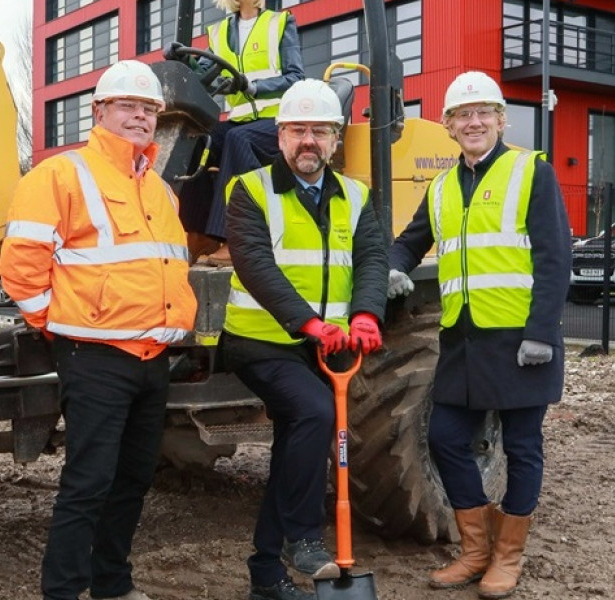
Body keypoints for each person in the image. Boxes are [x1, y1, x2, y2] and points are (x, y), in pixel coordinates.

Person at [0, 59, 197, 600]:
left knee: (132, 481)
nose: (139, 116)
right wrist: (57, 325)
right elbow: (19, 268)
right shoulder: (60, 175)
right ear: (100, 111)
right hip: (95, 359)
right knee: (87, 484)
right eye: (128, 106)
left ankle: (112, 585)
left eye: (149, 108)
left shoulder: (160, 190)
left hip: (153, 359)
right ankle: (62, 591)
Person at [385, 71, 571, 599]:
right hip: (463, 339)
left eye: (482, 112)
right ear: (447, 126)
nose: (473, 122)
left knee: (521, 446)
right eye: (462, 115)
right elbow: (410, 240)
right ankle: (475, 551)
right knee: (444, 437)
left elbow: (555, 258)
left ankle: (507, 558)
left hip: (519, 340)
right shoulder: (442, 185)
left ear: (500, 119)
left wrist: (542, 332)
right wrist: (396, 266)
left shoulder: (529, 171)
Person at [220, 78, 388, 600]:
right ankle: (302, 536)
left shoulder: (356, 195)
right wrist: (307, 323)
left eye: (319, 130)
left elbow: (373, 259)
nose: (308, 140)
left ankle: (266, 574)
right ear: (280, 135)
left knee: (300, 445)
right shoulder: (249, 189)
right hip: (260, 339)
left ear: (337, 139)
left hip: (326, 345)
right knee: (315, 414)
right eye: (297, 130)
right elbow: (255, 265)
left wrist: (365, 314)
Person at [171, 0, 305, 266]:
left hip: (278, 122)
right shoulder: (220, 32)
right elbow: (205, 72)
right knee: (197, 138)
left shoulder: (279, 24)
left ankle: (237, 239)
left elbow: (295, 77)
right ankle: (199, 233)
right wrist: (183, 58)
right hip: (241, 120)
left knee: (237, 139)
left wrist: (253, 87)